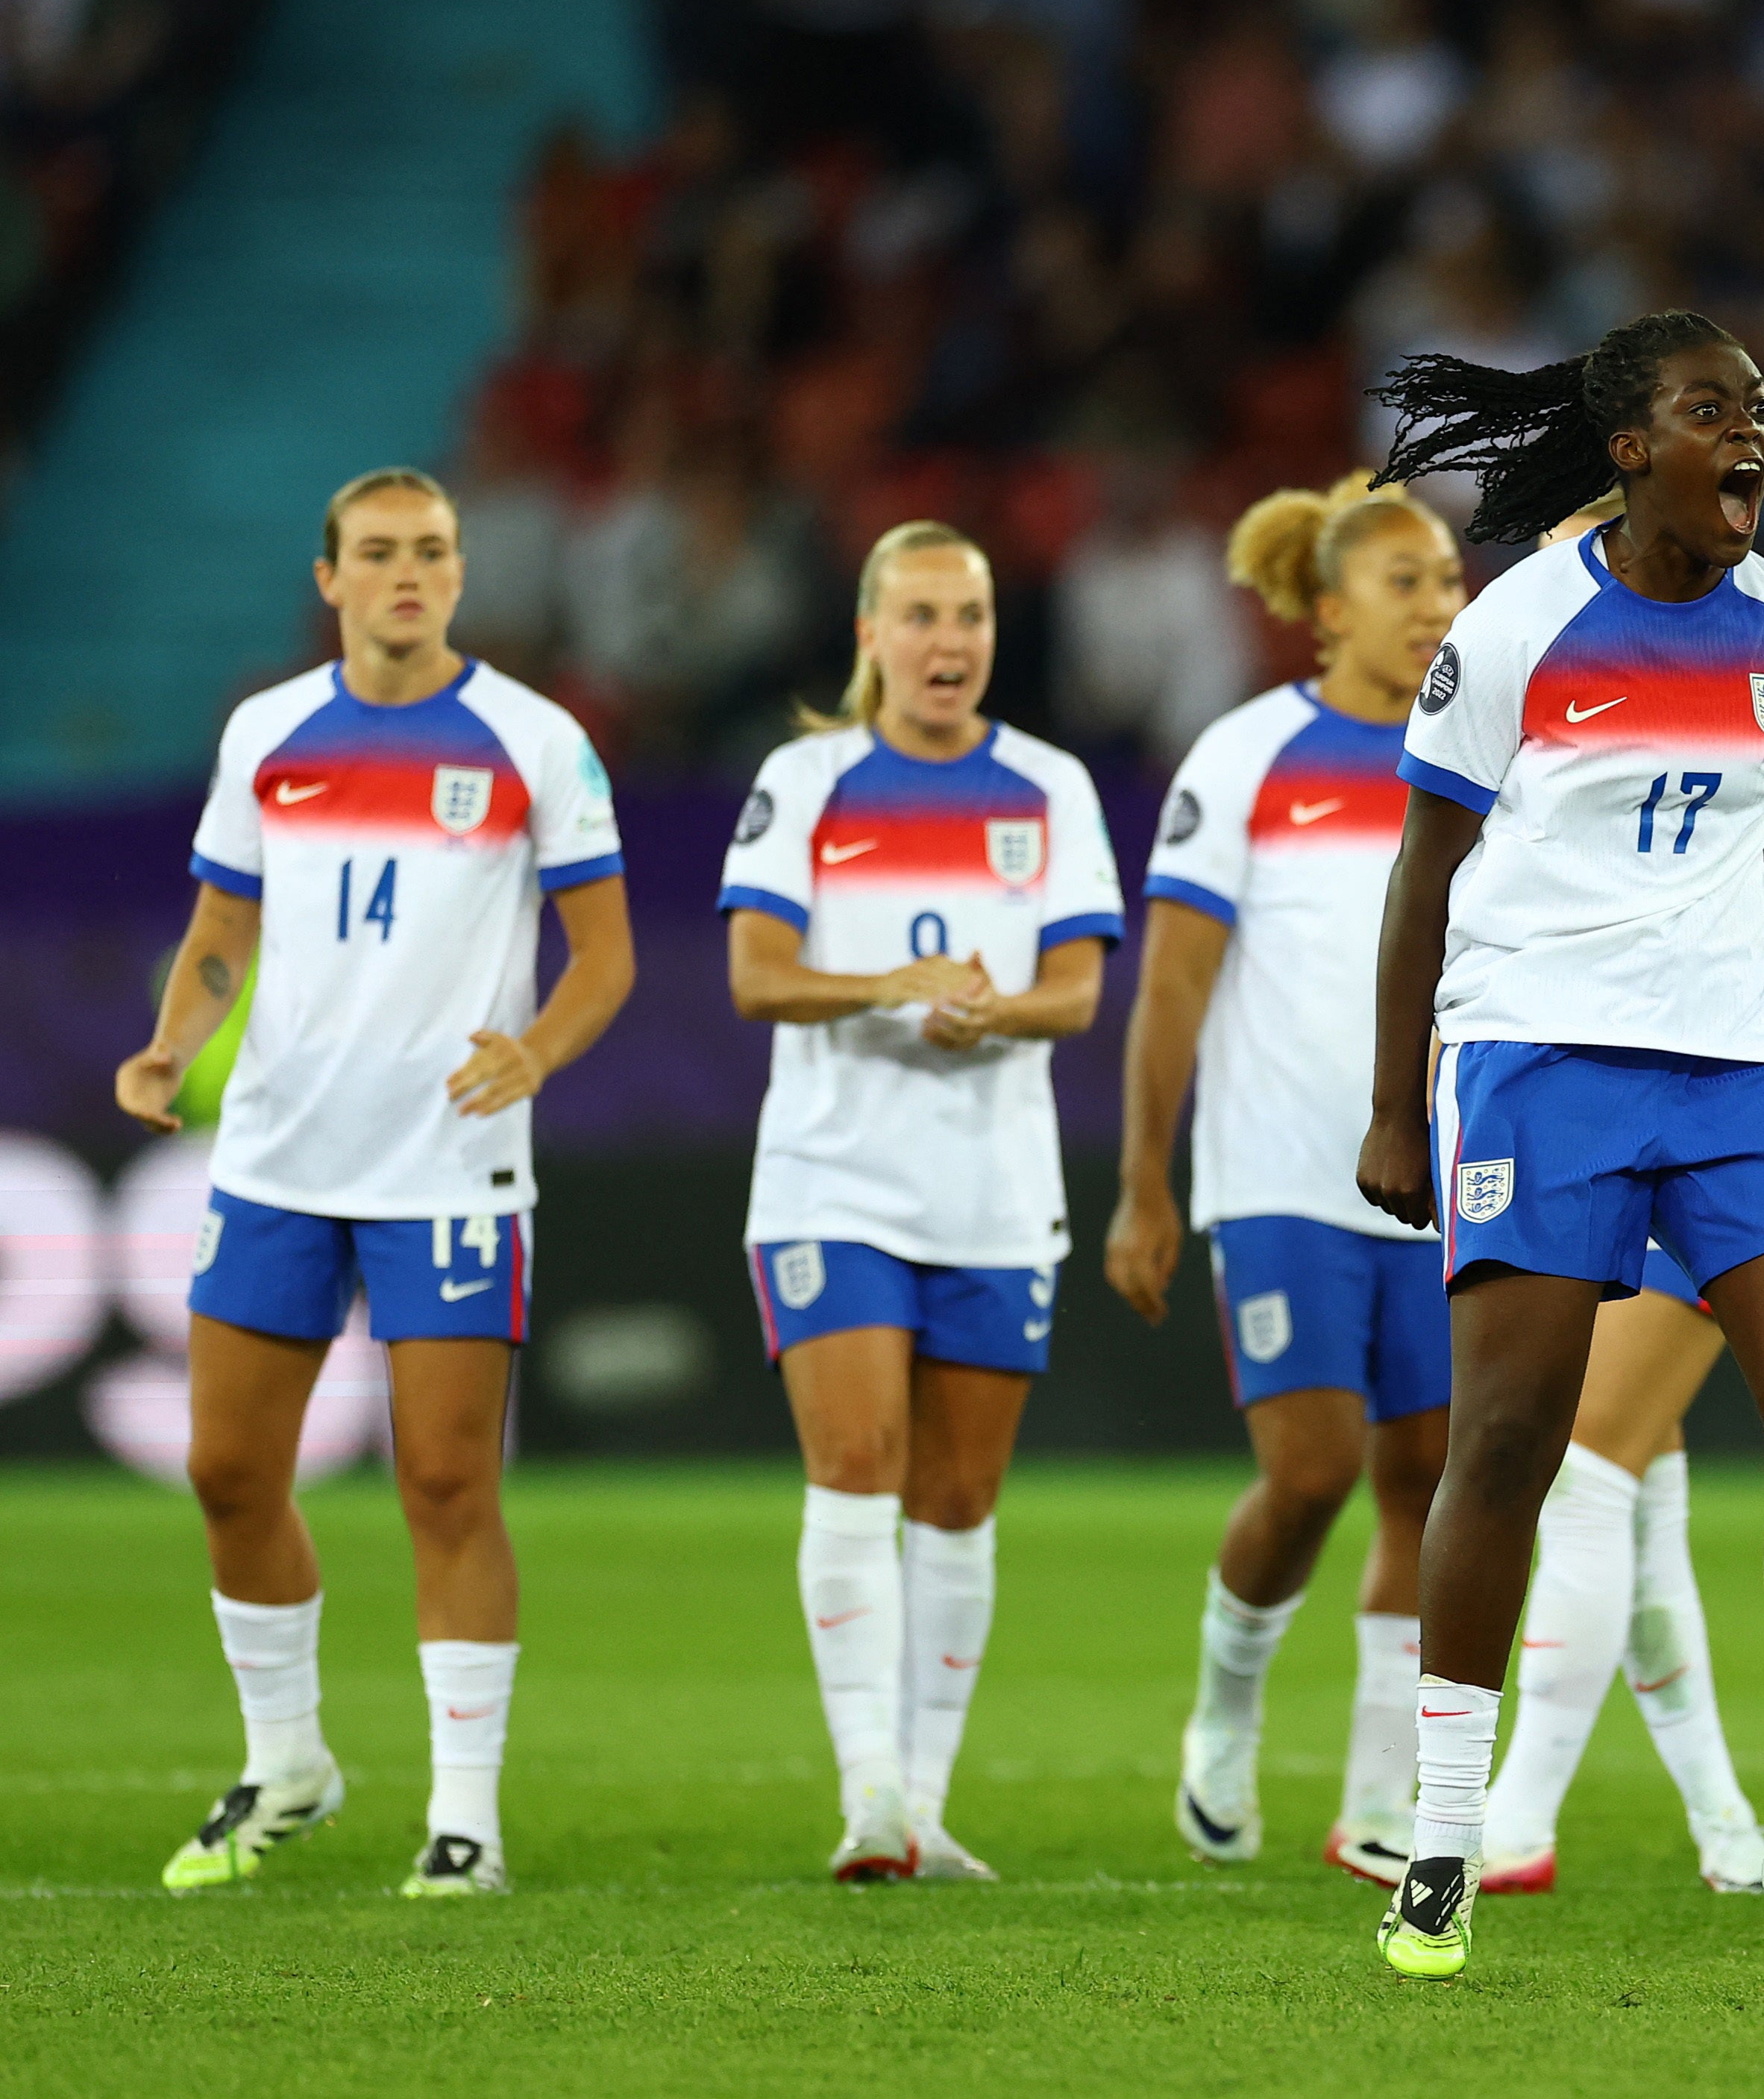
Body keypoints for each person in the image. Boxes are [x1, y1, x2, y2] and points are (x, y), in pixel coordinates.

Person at [1356, 309, 1764, 1981]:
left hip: (1738, 1070)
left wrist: (1744, 1013)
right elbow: (1424, 875)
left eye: (1761, 408)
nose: (1751, 431)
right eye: (1713, 408)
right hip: (1542, 1058)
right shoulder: (1520, 628)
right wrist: (1400, 1102)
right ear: (1633, 450)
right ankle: (1447, 1833)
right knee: (1509, 1443)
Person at [123, 468, 637, 1898]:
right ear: (330, 577)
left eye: (432, 551)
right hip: (282, 1153)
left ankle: (463, 1822)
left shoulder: (536, 741)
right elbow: (225, 916)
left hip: (449, 1166)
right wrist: (173, 1043)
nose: (408, 573)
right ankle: (287, 1758)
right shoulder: (267, 733)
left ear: (461, 574)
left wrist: (536, 1051)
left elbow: (606, 957)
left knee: (445, 1480)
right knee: (227, 1471)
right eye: (378, 553)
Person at [1475, 492, 1764, 1898]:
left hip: (1727, 1121)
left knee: (1590, 1457)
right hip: (1590, 1103)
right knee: (1634, 1493)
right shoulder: (1550, 664)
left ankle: (1515, 1820)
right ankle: (1729, 1825)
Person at [718, 521, 1123, 1882]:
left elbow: (1077, 991)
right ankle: (869, 1792)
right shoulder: (808, 779)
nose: (950, 643)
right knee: (855, 1465)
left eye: (973, 617)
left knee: (958, 1498)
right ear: (870, 636)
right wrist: (895, 984)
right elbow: (758, 975)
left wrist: (995, 1011)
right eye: (924, 616)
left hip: (995, 1191)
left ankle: (926, 1807)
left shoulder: (1050, 786)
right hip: (834, 1180)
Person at [1105, 471, 1466, 1889]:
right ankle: (1226, 1712)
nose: (1440, 605)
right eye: (1406, 582)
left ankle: (1379, 1797)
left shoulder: (1483, 762)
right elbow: (1173, 991)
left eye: (1449, 579)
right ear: (1328, 611)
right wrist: (1146, 1184)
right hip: (1273, 1178)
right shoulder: (1247, 757)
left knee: (1426, 1483)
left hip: (1438, 1181)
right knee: (1310, 1472)